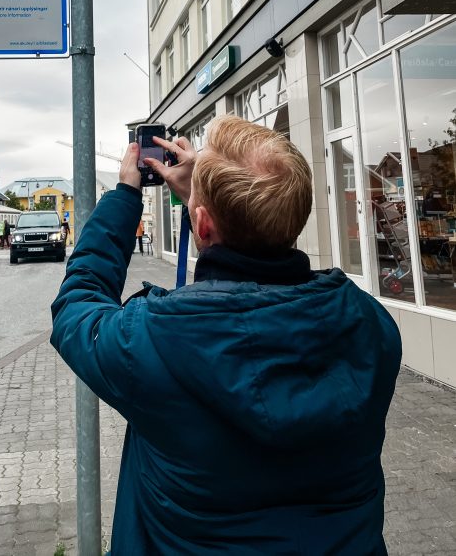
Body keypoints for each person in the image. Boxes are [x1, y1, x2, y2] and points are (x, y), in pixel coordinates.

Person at [51, 115, 401, 555]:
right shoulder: (369, 326)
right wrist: (205, 203)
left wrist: (125, 196)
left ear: (202, 226)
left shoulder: (149, 339)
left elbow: (77, 305)